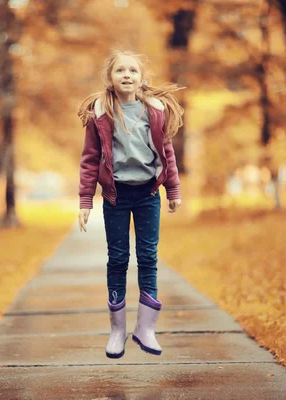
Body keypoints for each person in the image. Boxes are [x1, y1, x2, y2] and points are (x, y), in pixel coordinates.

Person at [77, 50, 185, 358]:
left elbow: (167, 152)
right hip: (116, 196)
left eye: (133, 71)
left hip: (149, 193)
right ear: (110, 79)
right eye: (120, 71)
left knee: (148, 257)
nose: (127, 75)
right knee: (118, 259)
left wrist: (173, 190)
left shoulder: (155, 111)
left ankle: (146, 329)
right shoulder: (101, 114)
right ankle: (118, 331)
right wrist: (85, 200)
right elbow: (89, 160)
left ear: (141, 78)